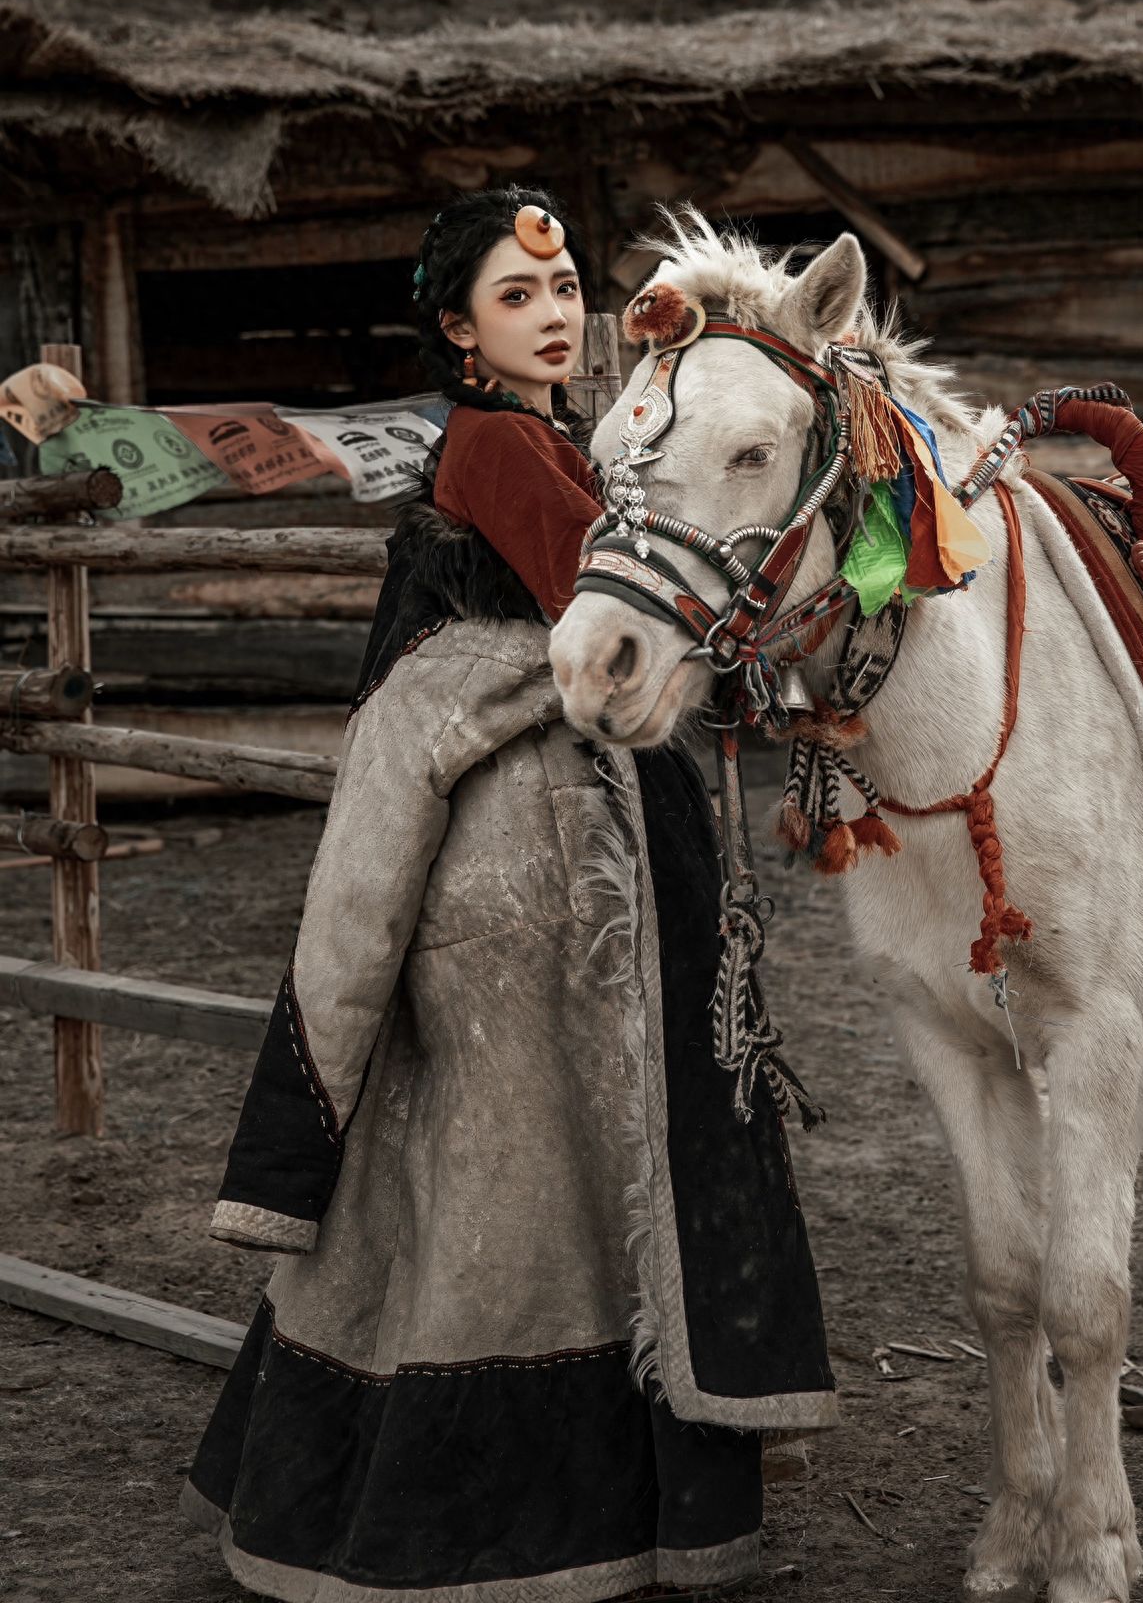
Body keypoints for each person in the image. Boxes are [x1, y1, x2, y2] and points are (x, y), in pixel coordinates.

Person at [180, 186, 835, 1603]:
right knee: (528, 1170)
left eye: (560, 296)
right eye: (514, 299)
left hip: (516, 834)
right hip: (531, 849)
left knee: (456, 1163)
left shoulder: (543, 439)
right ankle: (502, 1516)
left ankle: (371, 1461)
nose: (551, 316)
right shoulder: (501, 448)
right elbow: (597, 612)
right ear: (458, 332)